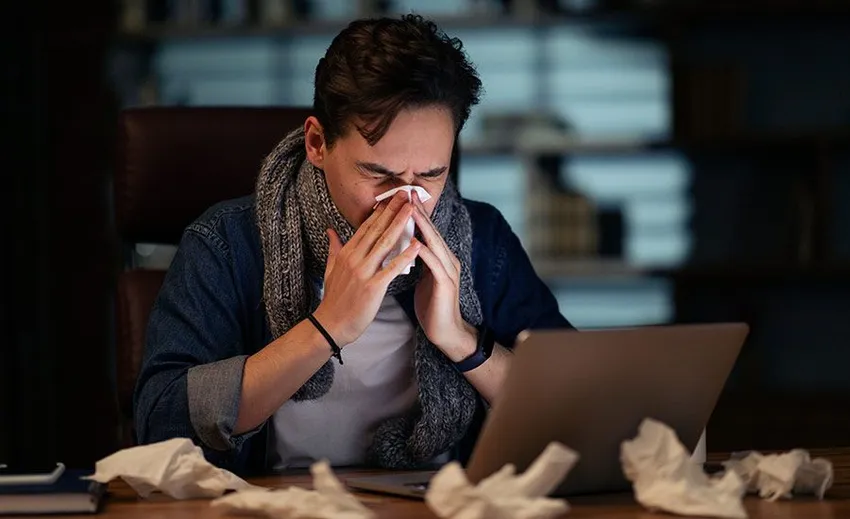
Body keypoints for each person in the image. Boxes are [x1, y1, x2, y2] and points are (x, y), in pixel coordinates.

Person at [133, 13, 573, 474]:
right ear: (318, 143)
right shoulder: (227, 242)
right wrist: (326, 329)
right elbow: (160, 428)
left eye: (431, 174)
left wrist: (463, 341)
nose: (407, 201)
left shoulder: (484, 241)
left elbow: (575, 412)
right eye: (378, 174)